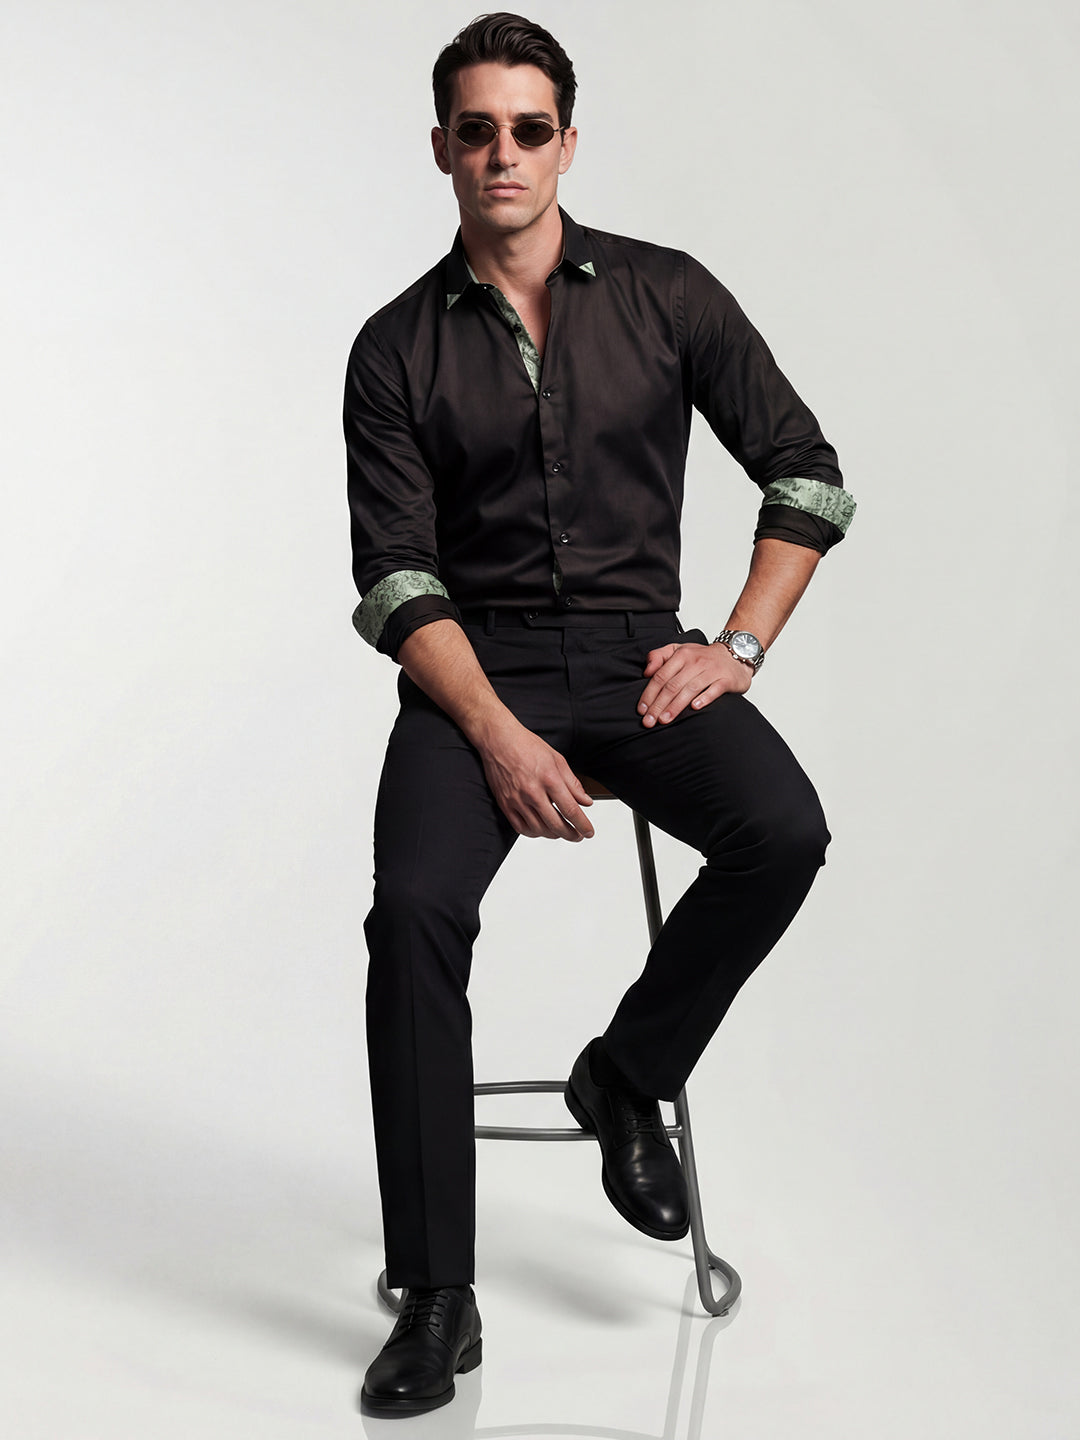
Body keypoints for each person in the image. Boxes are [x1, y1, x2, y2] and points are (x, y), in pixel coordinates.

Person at [344, 12, 855, 1418]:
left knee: (784, 833)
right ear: (441, 149)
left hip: (642, 662)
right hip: (476, 674)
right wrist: (497, 734)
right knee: (412, 916)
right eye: (476, 131)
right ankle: (437, 1298)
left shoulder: (668, 295)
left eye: (528, 129)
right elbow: (395, 580)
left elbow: (807, 476)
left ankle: (626, 1075)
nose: (502, 154)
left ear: (568, 141)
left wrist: (737, 647)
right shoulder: (393, 347)